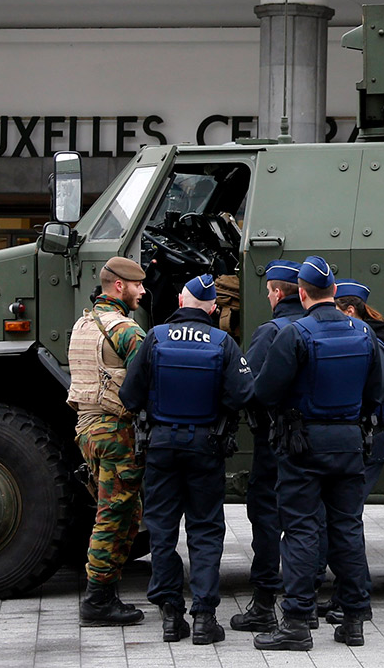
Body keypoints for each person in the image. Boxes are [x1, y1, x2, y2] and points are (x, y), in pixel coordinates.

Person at [252, 256, 384, 651]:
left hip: (302, 446)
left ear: (301, 293)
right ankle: (354, 620)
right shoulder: (364, 333)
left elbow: (264, 392)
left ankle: (296, 621)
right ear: (334, 292)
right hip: (349, 443)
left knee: (300, 530)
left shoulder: (295, 334)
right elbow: (377, 392)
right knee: (347, 528)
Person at [120, 274, 254, 644]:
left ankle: (169, 615)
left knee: (162, 531)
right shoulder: (223, 342)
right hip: (205, 447)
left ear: (181, 303)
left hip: (160, 446)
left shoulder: (155, 337)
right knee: (205, 531)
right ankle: (204, 618)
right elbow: (244, 392)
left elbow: (130, 396)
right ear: (212, 308)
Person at [66, 256, 149, 626]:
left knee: (123, 513)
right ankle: (98, 600)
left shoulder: (83, 324)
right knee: (113, 516)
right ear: (119, 286)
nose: (142, 292)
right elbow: (147, 380)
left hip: (87, 429)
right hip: (114, 431)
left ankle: (104, 593)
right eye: (137, 286)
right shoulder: (126, 330)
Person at [229, 259, 304, 634]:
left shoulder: (271, 331)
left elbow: (248, 388)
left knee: (267, 519)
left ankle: (263, 605)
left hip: (275, 442)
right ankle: (302, 606)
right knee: (308, 523)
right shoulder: (323, 327)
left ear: (276, 293)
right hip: (315, 442)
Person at [318, 280, 384, 627]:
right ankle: (347, 596)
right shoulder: (371, 341)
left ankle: (354, 598)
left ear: (349, 311)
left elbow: (374, 395)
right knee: (341, 520)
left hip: (365, 435)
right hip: (365, 435)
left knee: (342, 521)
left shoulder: (369, 345)